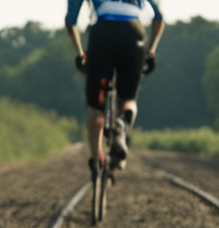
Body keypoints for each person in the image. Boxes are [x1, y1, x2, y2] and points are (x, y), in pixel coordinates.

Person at [65, 0, 164, 180]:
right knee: (128, 99)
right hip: (133, 32)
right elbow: (159, 16)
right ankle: (121, 128)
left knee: (96, 107)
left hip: (102, 33)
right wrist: (151, 51)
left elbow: (70, 21)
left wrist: (80, 54)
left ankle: (97, 161)